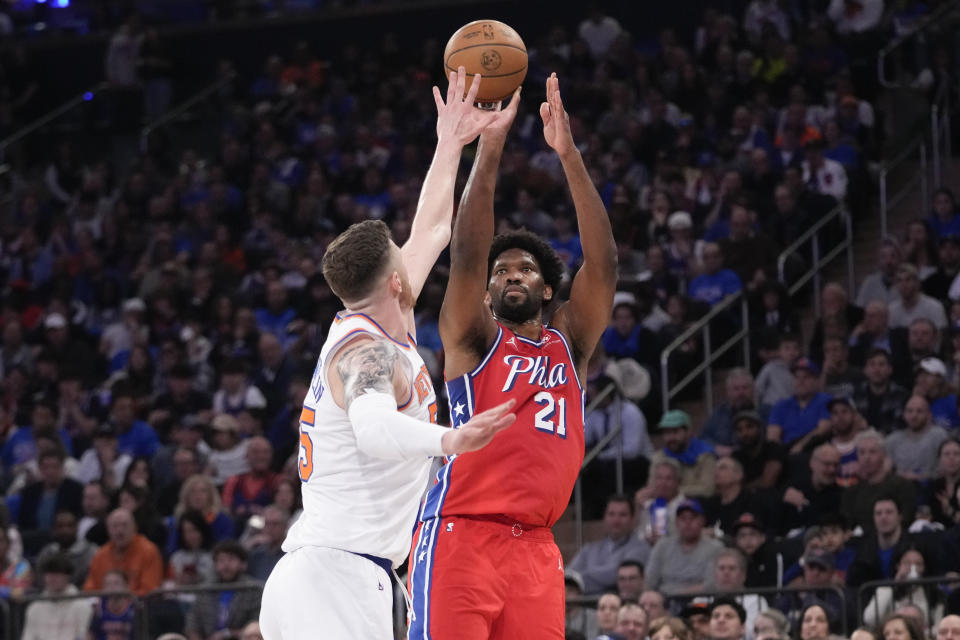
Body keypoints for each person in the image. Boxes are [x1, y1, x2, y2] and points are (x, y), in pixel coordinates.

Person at [259, 69, 510, 640]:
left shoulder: (381, 316)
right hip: (333, 578)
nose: (407, 251)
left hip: (335, 576)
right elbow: (373, 429)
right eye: (400, 255)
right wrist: (451, 440)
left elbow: (434, 228)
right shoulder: (365, 353)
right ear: (394, 281)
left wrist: (453, 141)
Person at [408, 73, 617, 638]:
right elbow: (469, 252)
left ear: (548, 289)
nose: (512, 275)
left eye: (525, 268)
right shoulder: (474, 338)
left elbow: (604, 266)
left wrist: (568, 156)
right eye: (502, 272)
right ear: (486, 292)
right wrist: (491, 146)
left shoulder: (568, 344)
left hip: (537, 549)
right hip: (462, 534)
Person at [568, 495, 650, 594]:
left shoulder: (641, 548)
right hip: (582, 605)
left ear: (633, 519)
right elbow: (569, 577)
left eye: (622, 515)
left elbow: (613, 577)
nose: (616, 520)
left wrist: (586, 572)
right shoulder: (589, 549)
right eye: (611, 514)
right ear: (604, 518)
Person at [841, 430, 917, 531]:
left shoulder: (902, 486)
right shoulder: (851, 492)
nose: (866, 458)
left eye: (872, 452)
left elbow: (907, 519)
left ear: (883, 455)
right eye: (862, 452)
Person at [185, 541, 262, 640]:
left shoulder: (253, 588)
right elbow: (193, 621)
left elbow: (257, 623)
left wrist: (228, 633)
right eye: (221, 560)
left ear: (243, 564)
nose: (226, 565)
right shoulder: (206, 589)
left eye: (231, 559)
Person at [645, 499, 724, 594]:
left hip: (700, 601)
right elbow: (649, 580)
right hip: (663, 602)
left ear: (702, 521)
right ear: (676, 523)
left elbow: (712, 584)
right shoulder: (662, 546)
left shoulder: (715, 548)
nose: (687, 523)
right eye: (683, 518)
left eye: (693, 518)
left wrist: (677, 594)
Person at [84, 508, 163, 595]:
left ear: (135, 528)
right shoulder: (100, 555)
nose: (119, 531)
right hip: (104, 606)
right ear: (108, 530)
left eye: (125, 525)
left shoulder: (148, 551)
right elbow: (89, 590)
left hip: (140, 606)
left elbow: (150, 591)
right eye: (115, 526)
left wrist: (121, 599)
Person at [766, 357, 832, 453]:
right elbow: (772, 437)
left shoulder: (826, 400)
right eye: (796, 377)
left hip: (815, 449)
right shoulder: (781, 405)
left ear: (817, 381)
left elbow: (823, 429)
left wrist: (801, 445)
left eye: (806, 377)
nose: (800, 381)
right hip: (787, 451)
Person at [20, 554, 92, 640]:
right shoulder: (35, 608)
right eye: (49, 573)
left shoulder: (82, 606)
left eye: (57, 573)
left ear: (67, 576)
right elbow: (28, 637)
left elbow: (83, 636)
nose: (52, 578)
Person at [650, 409, 717, 498]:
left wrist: (673, 491)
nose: (670, 437)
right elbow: (651, 487)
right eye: (666, 433)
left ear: (688, 431)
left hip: (697, 505)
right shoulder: (658, 457)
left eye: (675, 432)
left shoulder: (705, 455)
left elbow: (708, 489)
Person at [702, 369, 764, 456]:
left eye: (745, 388)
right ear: (728, 391)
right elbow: (703, 439)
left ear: (753, 390)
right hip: (725, 461)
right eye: (736, 389)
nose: (741, 393)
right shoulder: (719, 414)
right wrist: (715, 448)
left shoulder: (764, 411)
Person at [886, 395, 948, 481]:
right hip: (899, 488)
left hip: (931, 487)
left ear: (929, 414)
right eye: (910, 411)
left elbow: (947, 468)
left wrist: (921, 477)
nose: (914, 415)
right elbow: (885, 470)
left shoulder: (939, 436)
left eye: (919, 411)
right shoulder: (893, 440)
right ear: (904, 414)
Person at [34, 510, 98, 587]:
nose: (65, 531)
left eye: (70, 526)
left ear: (77, 527)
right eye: (60, 526)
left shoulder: (91, 552)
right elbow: (40, 581)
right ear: (53, 529)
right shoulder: (46, 553)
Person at [854, 349, 909, 434]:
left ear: (890, 369)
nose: (877, 369)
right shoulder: (856, 394)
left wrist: (871, 433)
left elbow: (898, 429)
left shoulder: (901, 395)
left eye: (881, 364)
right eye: (872, 364)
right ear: (865, 370)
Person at [732, 411, 787, 490]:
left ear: (760, 428)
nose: (744, 433)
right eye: (739, 430)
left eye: (749, 427)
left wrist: (741, 488)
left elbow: (767, 482)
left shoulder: (773, 448)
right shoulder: (736, 455)